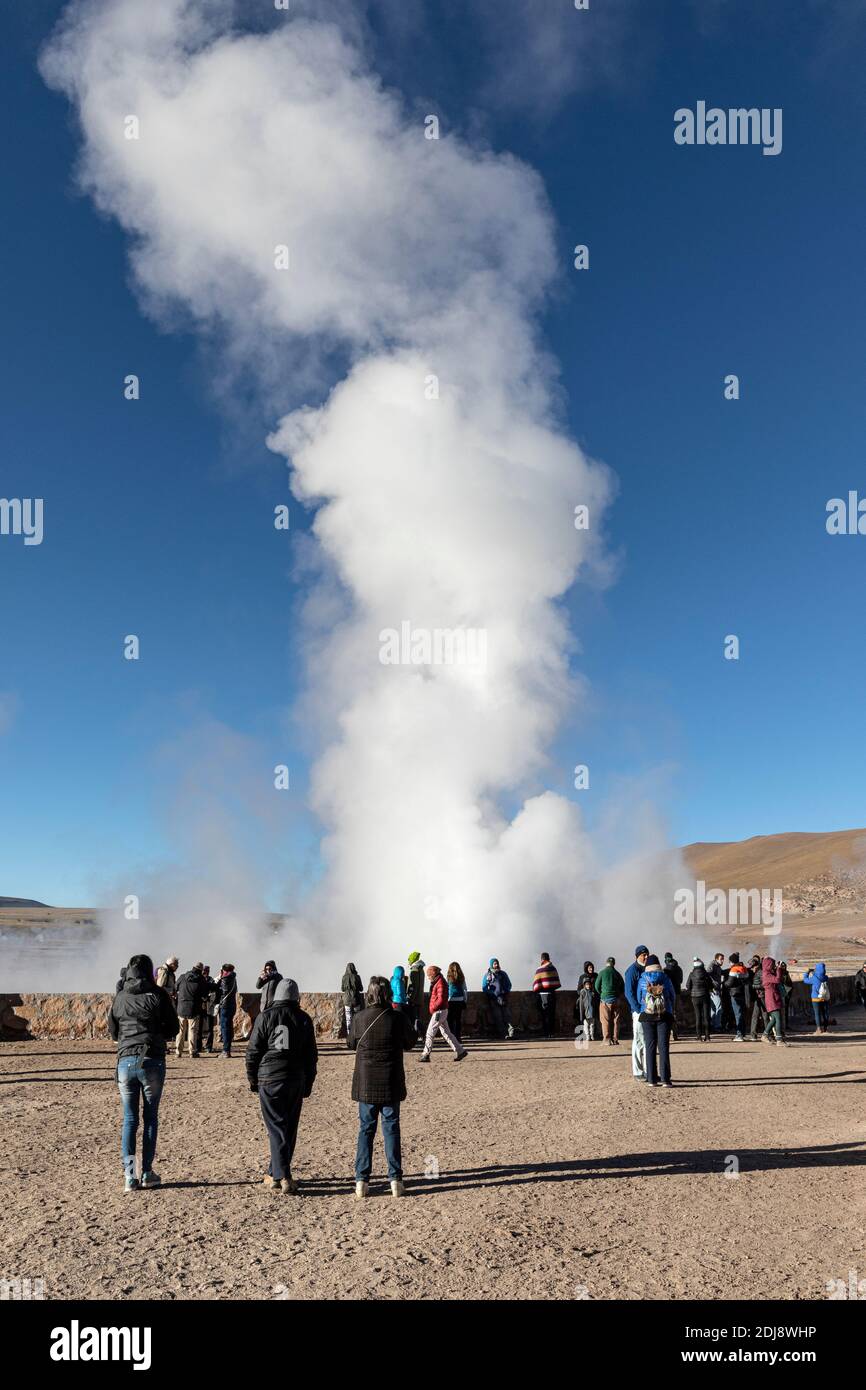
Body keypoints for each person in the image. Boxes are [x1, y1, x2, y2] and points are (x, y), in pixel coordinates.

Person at [108, 953, 179, 1191]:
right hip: (151, 1059)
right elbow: (173, 1027)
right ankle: (147, 1172)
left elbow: (113, 1030)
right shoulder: (158, 995)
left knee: (129, 1120)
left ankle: (130, 1177)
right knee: (150, 1118)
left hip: (126, 1061)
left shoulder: (120, 997)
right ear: (150, 972)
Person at [246, 978, 317, 1194]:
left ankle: (281, 1174)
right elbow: (311, 1056)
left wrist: (253, 1079)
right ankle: (275, 1173)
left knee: (276, 1127)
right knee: (288, 1128)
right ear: (297, 997)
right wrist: (309, 1082)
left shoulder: (264, 1017)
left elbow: (253, 1053)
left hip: (269, 1078)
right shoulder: (304, 1019)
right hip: (295, 1078)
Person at [348, 976, 417, 1198]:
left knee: (365, 1130)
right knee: (391, 1128)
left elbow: (350, 1043)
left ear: (369, 994)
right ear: (388, 995)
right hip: (390, 1080)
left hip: (367, 1083)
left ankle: (362, 1181)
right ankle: (395, 1179)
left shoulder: (359, 1018)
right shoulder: (397, 1017)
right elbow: (410, 1043)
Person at [636, 954, 677, 1087]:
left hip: (647, 1016)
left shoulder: (642, 979)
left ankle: (652, 1079)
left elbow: (638, 998)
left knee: (650, 1046)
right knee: (664, 1047)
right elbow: (672, 996)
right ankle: (665, 1079)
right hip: (664, 1015)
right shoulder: (665, 978)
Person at [419, 965, 468, 1062]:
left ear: (433, 975)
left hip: (439, 1011)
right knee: (447, 1033)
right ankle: (460, 1051)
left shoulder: (440, 983)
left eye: (429, 976)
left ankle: (426, 1054)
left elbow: (441, 999)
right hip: (442, 1010)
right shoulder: (439, 981)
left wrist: (433, 1008)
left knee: (430, 1032)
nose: (428, 978)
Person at [624, 945, 649, 1080]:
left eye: (646, 954)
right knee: (639, 1040)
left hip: (648, 1011)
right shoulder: (632, 971)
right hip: (639, 1011)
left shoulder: (647, 968)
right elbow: (629, 993)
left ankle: (648, 1070)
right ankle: (638, 1071)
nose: (645, 957)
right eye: (643, 955)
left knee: (648, 1041)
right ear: (636, 956)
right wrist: (637, 1009)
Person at [175, 961, 209, 1058]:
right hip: (194, 1008)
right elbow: (204, 994)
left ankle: (178, 1051)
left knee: (180, 1031)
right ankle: (192, 1051)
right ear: (201, 970)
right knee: (192, 1030)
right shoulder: (201, 979)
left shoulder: (182, 977)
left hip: (181, 1007)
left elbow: (175, 988)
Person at [594, 956, 625, 1045]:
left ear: (606, 963)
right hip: (616, 999)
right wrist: (618, 995)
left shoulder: (602, 972)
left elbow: (596, 986)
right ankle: (615, 1039)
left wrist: (602, 993)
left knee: (605, 1020)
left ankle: (607, 1040)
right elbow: (622, 986)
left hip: (605, 999)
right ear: (614, 964)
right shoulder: (617, 973)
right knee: (616, 1020)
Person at [481, 958, 514, 1040]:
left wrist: (505, 992)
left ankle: (511, 1033)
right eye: (495, 964)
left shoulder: (503, 974)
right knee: (498, 1017)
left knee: (507, 1016)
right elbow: (484, 987)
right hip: (494, 999)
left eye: (497, 963)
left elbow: (509, 984)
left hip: (503, 998)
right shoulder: (487, 975)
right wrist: (492, 994)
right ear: (491, 965)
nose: (496, 965)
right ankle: (503, 1034)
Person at [532, 952, 562, 1038]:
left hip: (543, 995)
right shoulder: (553, 968)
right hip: (552, 994)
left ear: (542, 959)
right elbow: (556, 983)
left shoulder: (539, 970)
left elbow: (536, 985)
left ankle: (546, 1032)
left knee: (544, 1014)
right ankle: (551, 1032)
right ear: (549, 958)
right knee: (551, 1014)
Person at [684, 957, 714, 1041]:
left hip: (695, 997)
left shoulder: (691, 974)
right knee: (706, 1016)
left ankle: (699, 1036)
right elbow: (711, 986)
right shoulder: (706, 974)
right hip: (705, 996)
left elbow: (688, 986)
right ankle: (707, 1036)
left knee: (698, 1016)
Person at [761, 956, 788, 1046]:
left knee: (774, 1019)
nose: (773, 966)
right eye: (772, 965)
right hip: (772, 999)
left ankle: (765, 1035)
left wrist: (779, 968)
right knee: (778, 1018)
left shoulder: (768, 973)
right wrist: (778, 969)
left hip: (773, 998)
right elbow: (777, 979)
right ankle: (779, 1039)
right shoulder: (767, 974)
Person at [724, 953, 750, 1041]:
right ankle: (743, 1033)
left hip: (735, 994)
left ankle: (739, 1035)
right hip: (743, 993)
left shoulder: (733, 969)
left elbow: (729, 983)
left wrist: (724, 983)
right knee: (742, 1014)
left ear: (732, 961)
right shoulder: (744, 968)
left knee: (737, 1014)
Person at [802, 962, 830, 1033]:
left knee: (817, 1014)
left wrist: (807, 972)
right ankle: (826, 1028)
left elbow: (805, 980)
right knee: (825, 1013)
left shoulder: (814, 978)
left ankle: (819, 1028)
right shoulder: (825, 977)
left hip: (815, 998)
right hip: (824, 998)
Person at [217, 963, 237, 1058]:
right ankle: (227, 1049)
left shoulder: (225, 978)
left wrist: (219, 981)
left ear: (224, 970)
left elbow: (223, 991)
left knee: (224, 1028)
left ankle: (226, 1050)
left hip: (225, 1005)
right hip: (232, 1005)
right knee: (228, 1027)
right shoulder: (233, 978)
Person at [663, 953, 684, 1040]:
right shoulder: (679, 968)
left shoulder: (666, 969)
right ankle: (675, 1033)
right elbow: (681, 980)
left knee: (667, 1013)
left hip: (668, 993)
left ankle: (668, 1033)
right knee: (675, 1012)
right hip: (677, 992)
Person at [575, 962, 598, 1042]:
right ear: (586, 968)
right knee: (585, 1020)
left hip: (594, 999)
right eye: (589, 968)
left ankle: (594, 1034)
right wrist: (584, 993)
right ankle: (586, 1035)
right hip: (585, 1001)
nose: (590, 969)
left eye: (591, 967)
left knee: (594, 1020)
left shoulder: (596, 975)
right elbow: (578, 989)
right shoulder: (582, 977)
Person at [446, 962, 468, 1042]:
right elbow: (464, 989)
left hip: (450, 1000)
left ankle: (451, 1037)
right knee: (458, 1020)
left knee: (450, 1020)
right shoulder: (461, 977)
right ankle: (458, 1037)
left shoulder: (449, 977)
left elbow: (447, 989)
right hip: (460, 1000)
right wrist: (465, 1000)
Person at [747, 954, 768, 1041]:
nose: (751, 969)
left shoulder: (760, 973)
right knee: (755, 1015)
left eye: (752, 967)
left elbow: (764, 985)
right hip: (758, 997)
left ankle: (767, 1033)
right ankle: (753, 1034)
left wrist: (753, 986)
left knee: (765, 1015)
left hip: (762, 996)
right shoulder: (756, 972)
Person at [341, 963, 364, 1036]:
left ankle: (349, 1035)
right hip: (356, 999)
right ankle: (357, 1034)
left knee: (348, 1018)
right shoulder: (357, 977)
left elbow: (342, 989)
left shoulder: (344, 977)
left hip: (347, 1000)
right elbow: (361, 988)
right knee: (357, 1017)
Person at [200, 966, 219, 1054]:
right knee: (198, 1027)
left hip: (209, 1006)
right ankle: (198, 1046)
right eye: (204, 971)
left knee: (209, 1027)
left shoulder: (211, 980)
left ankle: (208, 1046)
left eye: (207, 971)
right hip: (200, 1006)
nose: (205, 972)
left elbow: (214, 990)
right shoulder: (199, 979)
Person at [406, 951, 426, 1034]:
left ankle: (421, 1033)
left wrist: (409, 998)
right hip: (420, 998)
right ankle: (421, 1033)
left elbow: (412, 987)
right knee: (417, 1017)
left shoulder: (413, 971)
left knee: (414, 1018)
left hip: (413, 999)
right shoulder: (421, 970)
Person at [707, 952, 725, 1032]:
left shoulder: (717, 966)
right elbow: (707, 974)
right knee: (719, 1007)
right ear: (716, 959)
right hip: (714, 990)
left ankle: (712, 1025)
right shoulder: (713, 965)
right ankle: (717, 1026)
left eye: (723, 959)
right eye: (721, 959)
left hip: (715, 989)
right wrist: (711, 986)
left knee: (713, 1009)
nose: (722, 961)